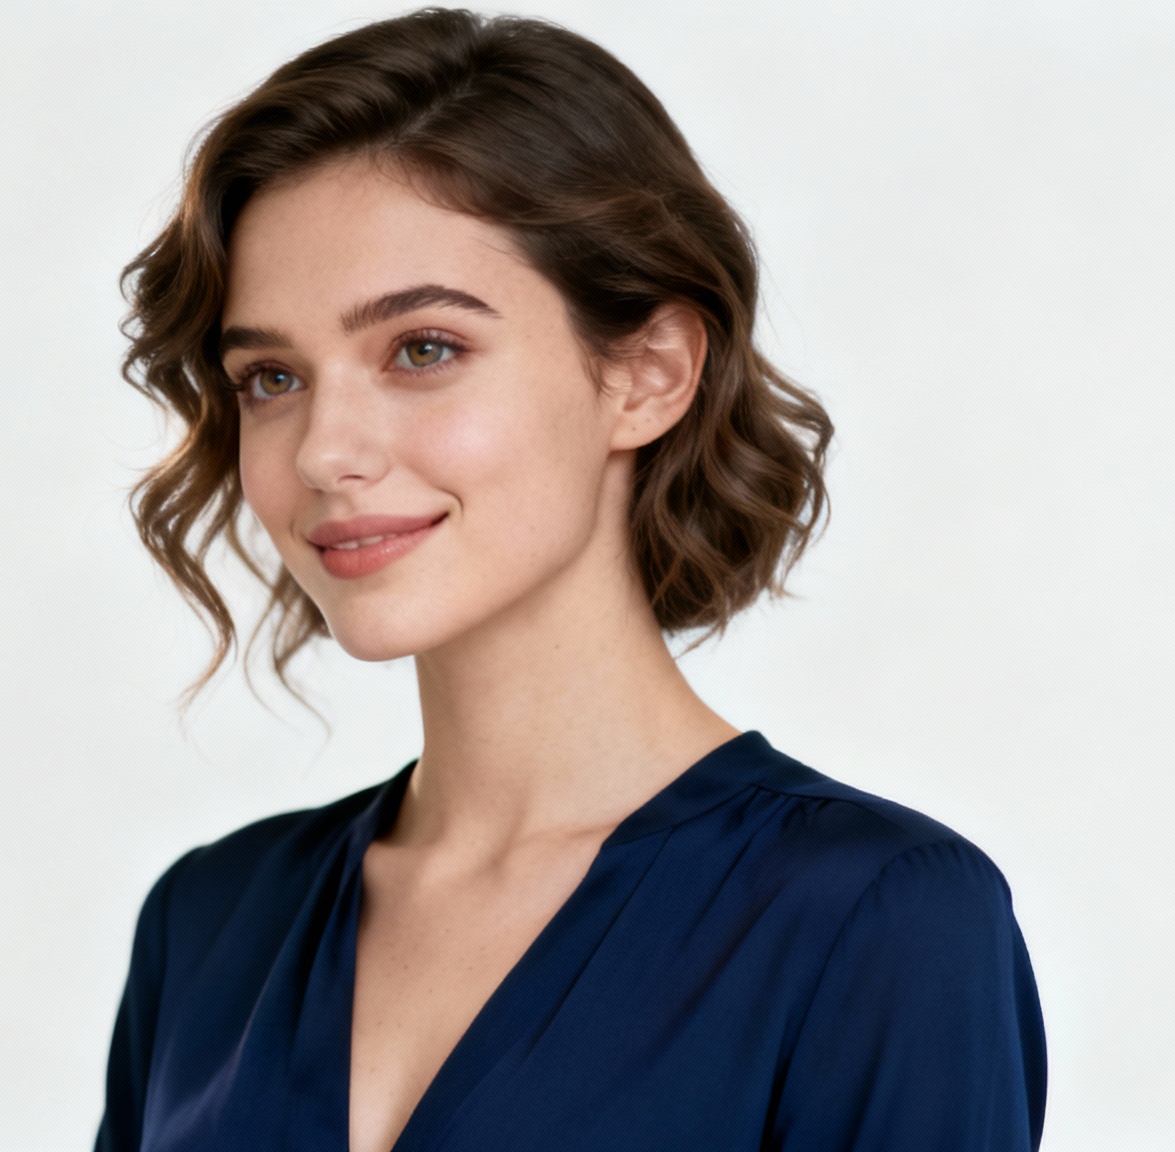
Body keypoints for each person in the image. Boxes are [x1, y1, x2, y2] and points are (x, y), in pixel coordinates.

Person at [98, 10, 1046, 1151]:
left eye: (423, 349)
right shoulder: (209, 928)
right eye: (270, 377)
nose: (320, 452)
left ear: (646, 375)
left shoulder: (874, 921)